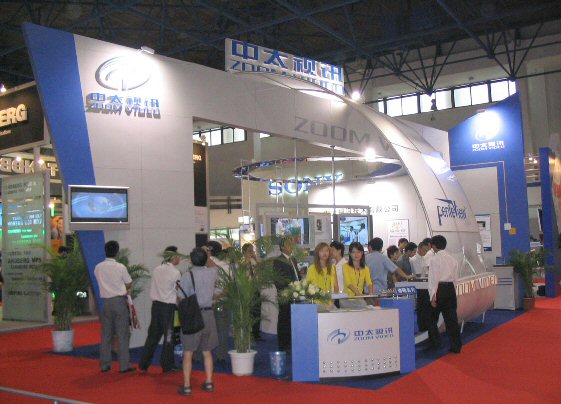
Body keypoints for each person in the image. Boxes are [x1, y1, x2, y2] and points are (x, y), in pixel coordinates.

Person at [178, 248, 219, 396]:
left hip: (193, 315)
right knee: (207, 351)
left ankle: (187, 386)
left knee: (188, 351)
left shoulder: (187, 275)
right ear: (205, 259)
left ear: (191, 260)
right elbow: (213, 264)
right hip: (208, 314)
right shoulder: (212, 272)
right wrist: (207, 255)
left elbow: (181, 297)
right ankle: (209, 382)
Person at [139, 246, 181, 373]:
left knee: (153, 336)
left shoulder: (157, 269)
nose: (179, 259)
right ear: (173, 257)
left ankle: (143, 364)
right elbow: (178, 290)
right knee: (169, 337)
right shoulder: (175, 272)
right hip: (169, 309)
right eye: (178, 256)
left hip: (156, 307)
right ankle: (167, 365)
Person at [94, 240, 135, 373]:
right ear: (117, 252)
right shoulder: (120, 267)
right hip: (119, 302)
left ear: (105, 251)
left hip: (105, 303)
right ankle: (124, 366)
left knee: (106, 335)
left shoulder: (98, 267)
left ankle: (104, 365)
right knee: (122, 334)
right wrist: (123, 288)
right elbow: (129, 282)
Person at [426, 235, 462, 354]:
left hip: (439, 290)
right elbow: (456, 278)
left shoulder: (434, 259)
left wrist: (432, 296)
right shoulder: (452, 259)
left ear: (434, 246)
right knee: (452, 320)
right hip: (450, 289)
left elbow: (433, 279)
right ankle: (456, 346)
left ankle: (435, 343)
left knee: (431, 318)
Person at [205, 240, 230, 367]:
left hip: (206, 303)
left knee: (203, 330)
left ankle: (199, 356)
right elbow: (230, 285)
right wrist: (220, 295)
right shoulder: (225, 265)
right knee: (222, 330)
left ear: (209, 251)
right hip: (221, 302)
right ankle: (221, 357)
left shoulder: (204, 266)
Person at [273, 237, 300, 352]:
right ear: (282, 247)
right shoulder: (278, 261)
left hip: (296, 295)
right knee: (284, 320)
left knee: (292, 320)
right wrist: (290, 289)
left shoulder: (293, 259)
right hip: (285, 295)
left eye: (291, 244)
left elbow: (297, 275)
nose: (291, 246)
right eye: (288, 245)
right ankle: (283, 345)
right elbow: (278, 279)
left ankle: (292, 343)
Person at [241, 243, 263, 341]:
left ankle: (256, 334)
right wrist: (247, 259)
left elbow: (260, 267)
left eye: (252, 250)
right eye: (250, 251)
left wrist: (255, 258)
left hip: (255, 288)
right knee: (248, 312)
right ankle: (248, 334)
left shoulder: (252, 260)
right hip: (247, 289)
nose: (252, 252)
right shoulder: (242, 261)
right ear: (244, 252)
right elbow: (241, 269)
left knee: (257, 312)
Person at [341, 242, 373, 307]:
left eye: (359, 252)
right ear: (350, 253)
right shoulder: (345, 266)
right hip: (347, 299)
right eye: (353, 252)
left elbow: (369, 283)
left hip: (359, 299)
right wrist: (359, 294)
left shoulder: (365, 268)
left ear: (362, 253)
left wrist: (371, 294)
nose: (356, 254)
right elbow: (348, 283)